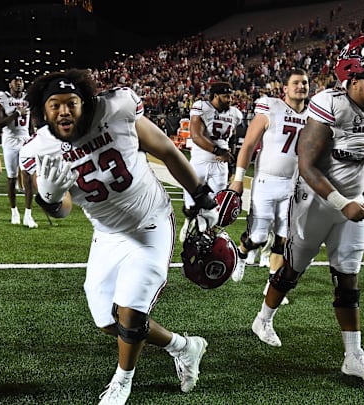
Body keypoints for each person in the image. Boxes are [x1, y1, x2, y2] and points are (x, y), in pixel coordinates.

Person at [20, 69, 218, 405]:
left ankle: (122, 381)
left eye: (71, 103)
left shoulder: (116, 110)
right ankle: (184, 346)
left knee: (131, 313)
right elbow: (64, 210)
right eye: (55, 105)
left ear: (85, 102)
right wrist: (50, 200)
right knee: (106, 320)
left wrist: (201, 194)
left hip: (150, 223)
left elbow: (167, 150)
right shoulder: (42, 149)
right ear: (43, 110)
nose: (64, 111)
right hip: (107, 233)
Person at [251, 35, 364, 382]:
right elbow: (307, 164)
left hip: (354, 204)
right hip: (314, 202)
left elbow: (357, 166)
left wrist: (357, 199)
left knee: (348, 279)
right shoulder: (329, 104)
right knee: (292, 270)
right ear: (353, 79)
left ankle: (353, 357)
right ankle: (264, 318)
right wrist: (341, 202)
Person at [228, 68, 310, 303]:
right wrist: (238, 178)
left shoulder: (312, 115)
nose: (301, 87)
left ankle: (272, 283)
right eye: (295, 83)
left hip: (293, 184)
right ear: (285, 88)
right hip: (266, 181)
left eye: (304, 83)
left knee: (284, 237)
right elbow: (249, 145)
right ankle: (241, 254)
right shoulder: (270, 107)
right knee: (258, 236)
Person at [178, 82, 244, 242]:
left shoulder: (235, 113)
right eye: (226, 96)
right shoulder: (202, 107)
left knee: (215, 207)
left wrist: (230, 159)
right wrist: (218, 151)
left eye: (230, 96)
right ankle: (189, 221)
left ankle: (206, 237)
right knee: (192, 204)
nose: (229, 99)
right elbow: (196, 136)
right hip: (200, 161)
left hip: (220, 166)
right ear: (216, 96)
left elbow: (232, 138)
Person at [0, 75, 37, 228]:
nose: (19, 83)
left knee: (28, 177)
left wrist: (34, 138)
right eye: (16, 81)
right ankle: (14, 212)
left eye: (21, 81)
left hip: (25, 140)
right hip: (10, 141)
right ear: (10, 84)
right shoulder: (2, 98)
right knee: (12, 178)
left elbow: (30, 124)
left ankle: (28, 215)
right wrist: (16, 114)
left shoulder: (28, 98)